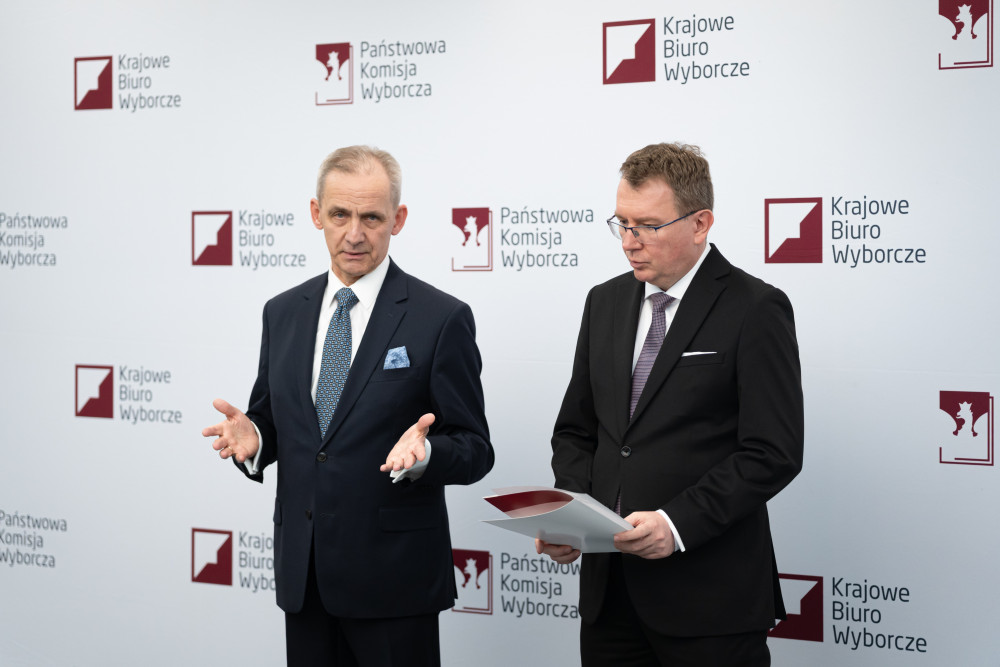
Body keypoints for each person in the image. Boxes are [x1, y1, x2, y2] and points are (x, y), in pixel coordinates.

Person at [202, 145, 494, 667]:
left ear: (397, 220)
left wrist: (426, 456)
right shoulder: (282, 312)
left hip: (395, 584)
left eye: (371, 218)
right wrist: (257, 439)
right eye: (339, 215)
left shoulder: (441, 318)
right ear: (317, 213)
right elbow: (276, 420)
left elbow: (474, 448)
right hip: (306, 577)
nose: (354, 234)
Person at [536, 143, 803, 666]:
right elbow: (576, 431)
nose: (628, 242)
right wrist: (574, 515)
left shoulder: (756, 308)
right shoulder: (604, 301)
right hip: (609, 599)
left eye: (648, 226)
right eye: (622, 223)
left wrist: (677, 524)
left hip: (710, 602)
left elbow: (772, 452)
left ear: (700, 223)